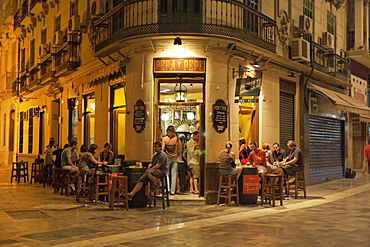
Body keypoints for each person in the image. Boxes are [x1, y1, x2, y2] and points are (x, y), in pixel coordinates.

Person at [162, 126, 181, 195]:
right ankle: (173, 191)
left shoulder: (164, 139)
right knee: (173, 174)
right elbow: (180, 151)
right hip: (175, 158)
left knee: (166, 174)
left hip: (167, 158)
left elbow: (162, 149)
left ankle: (168, 189)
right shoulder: (176, 139)